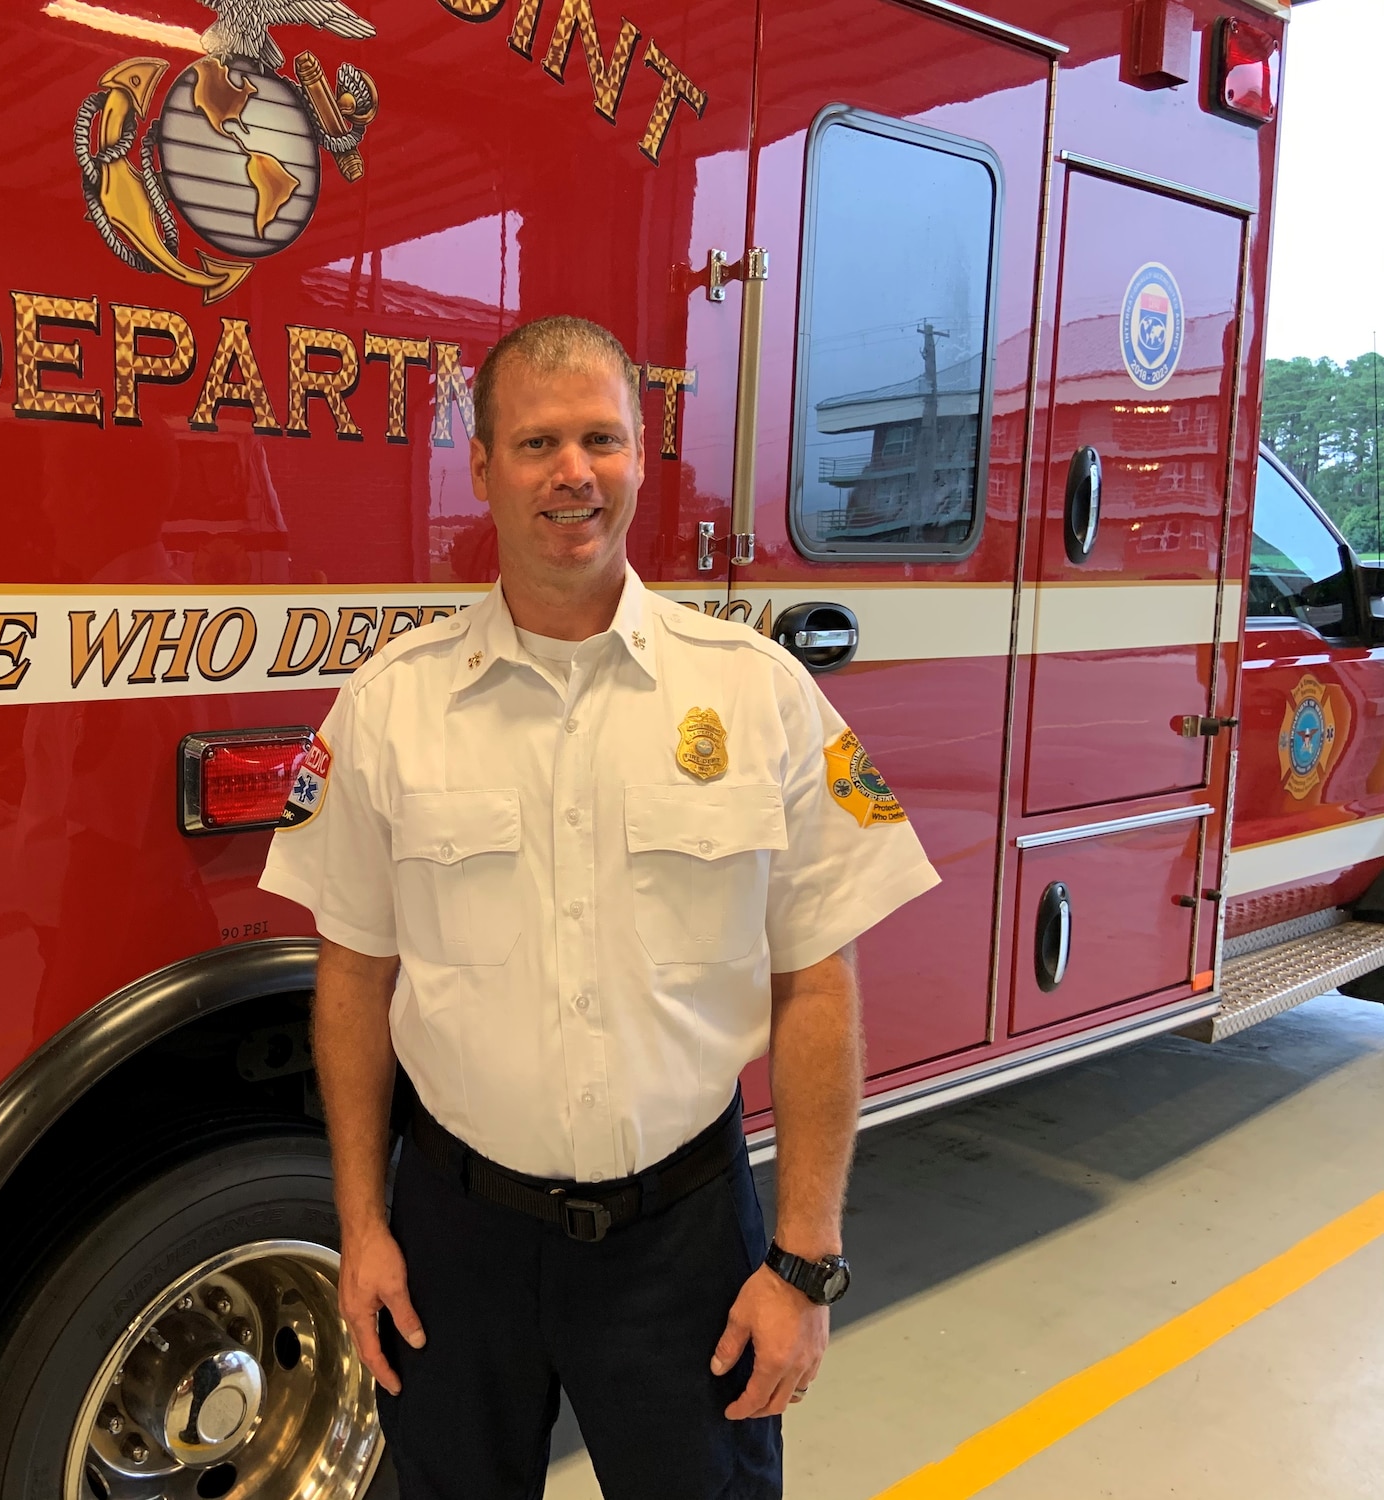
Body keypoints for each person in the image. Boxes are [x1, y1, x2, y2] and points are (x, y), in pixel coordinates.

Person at [258, 315, 939, 1498]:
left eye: (599, 440)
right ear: (480, 470)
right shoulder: (388, 708)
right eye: (535, 444)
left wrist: (806, 1260)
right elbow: (354, 977)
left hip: (682, 1238)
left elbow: (814, 983)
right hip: (451, 1240)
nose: (572, 473)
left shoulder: (756, 693)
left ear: (637, 458)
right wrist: (360, 1227)